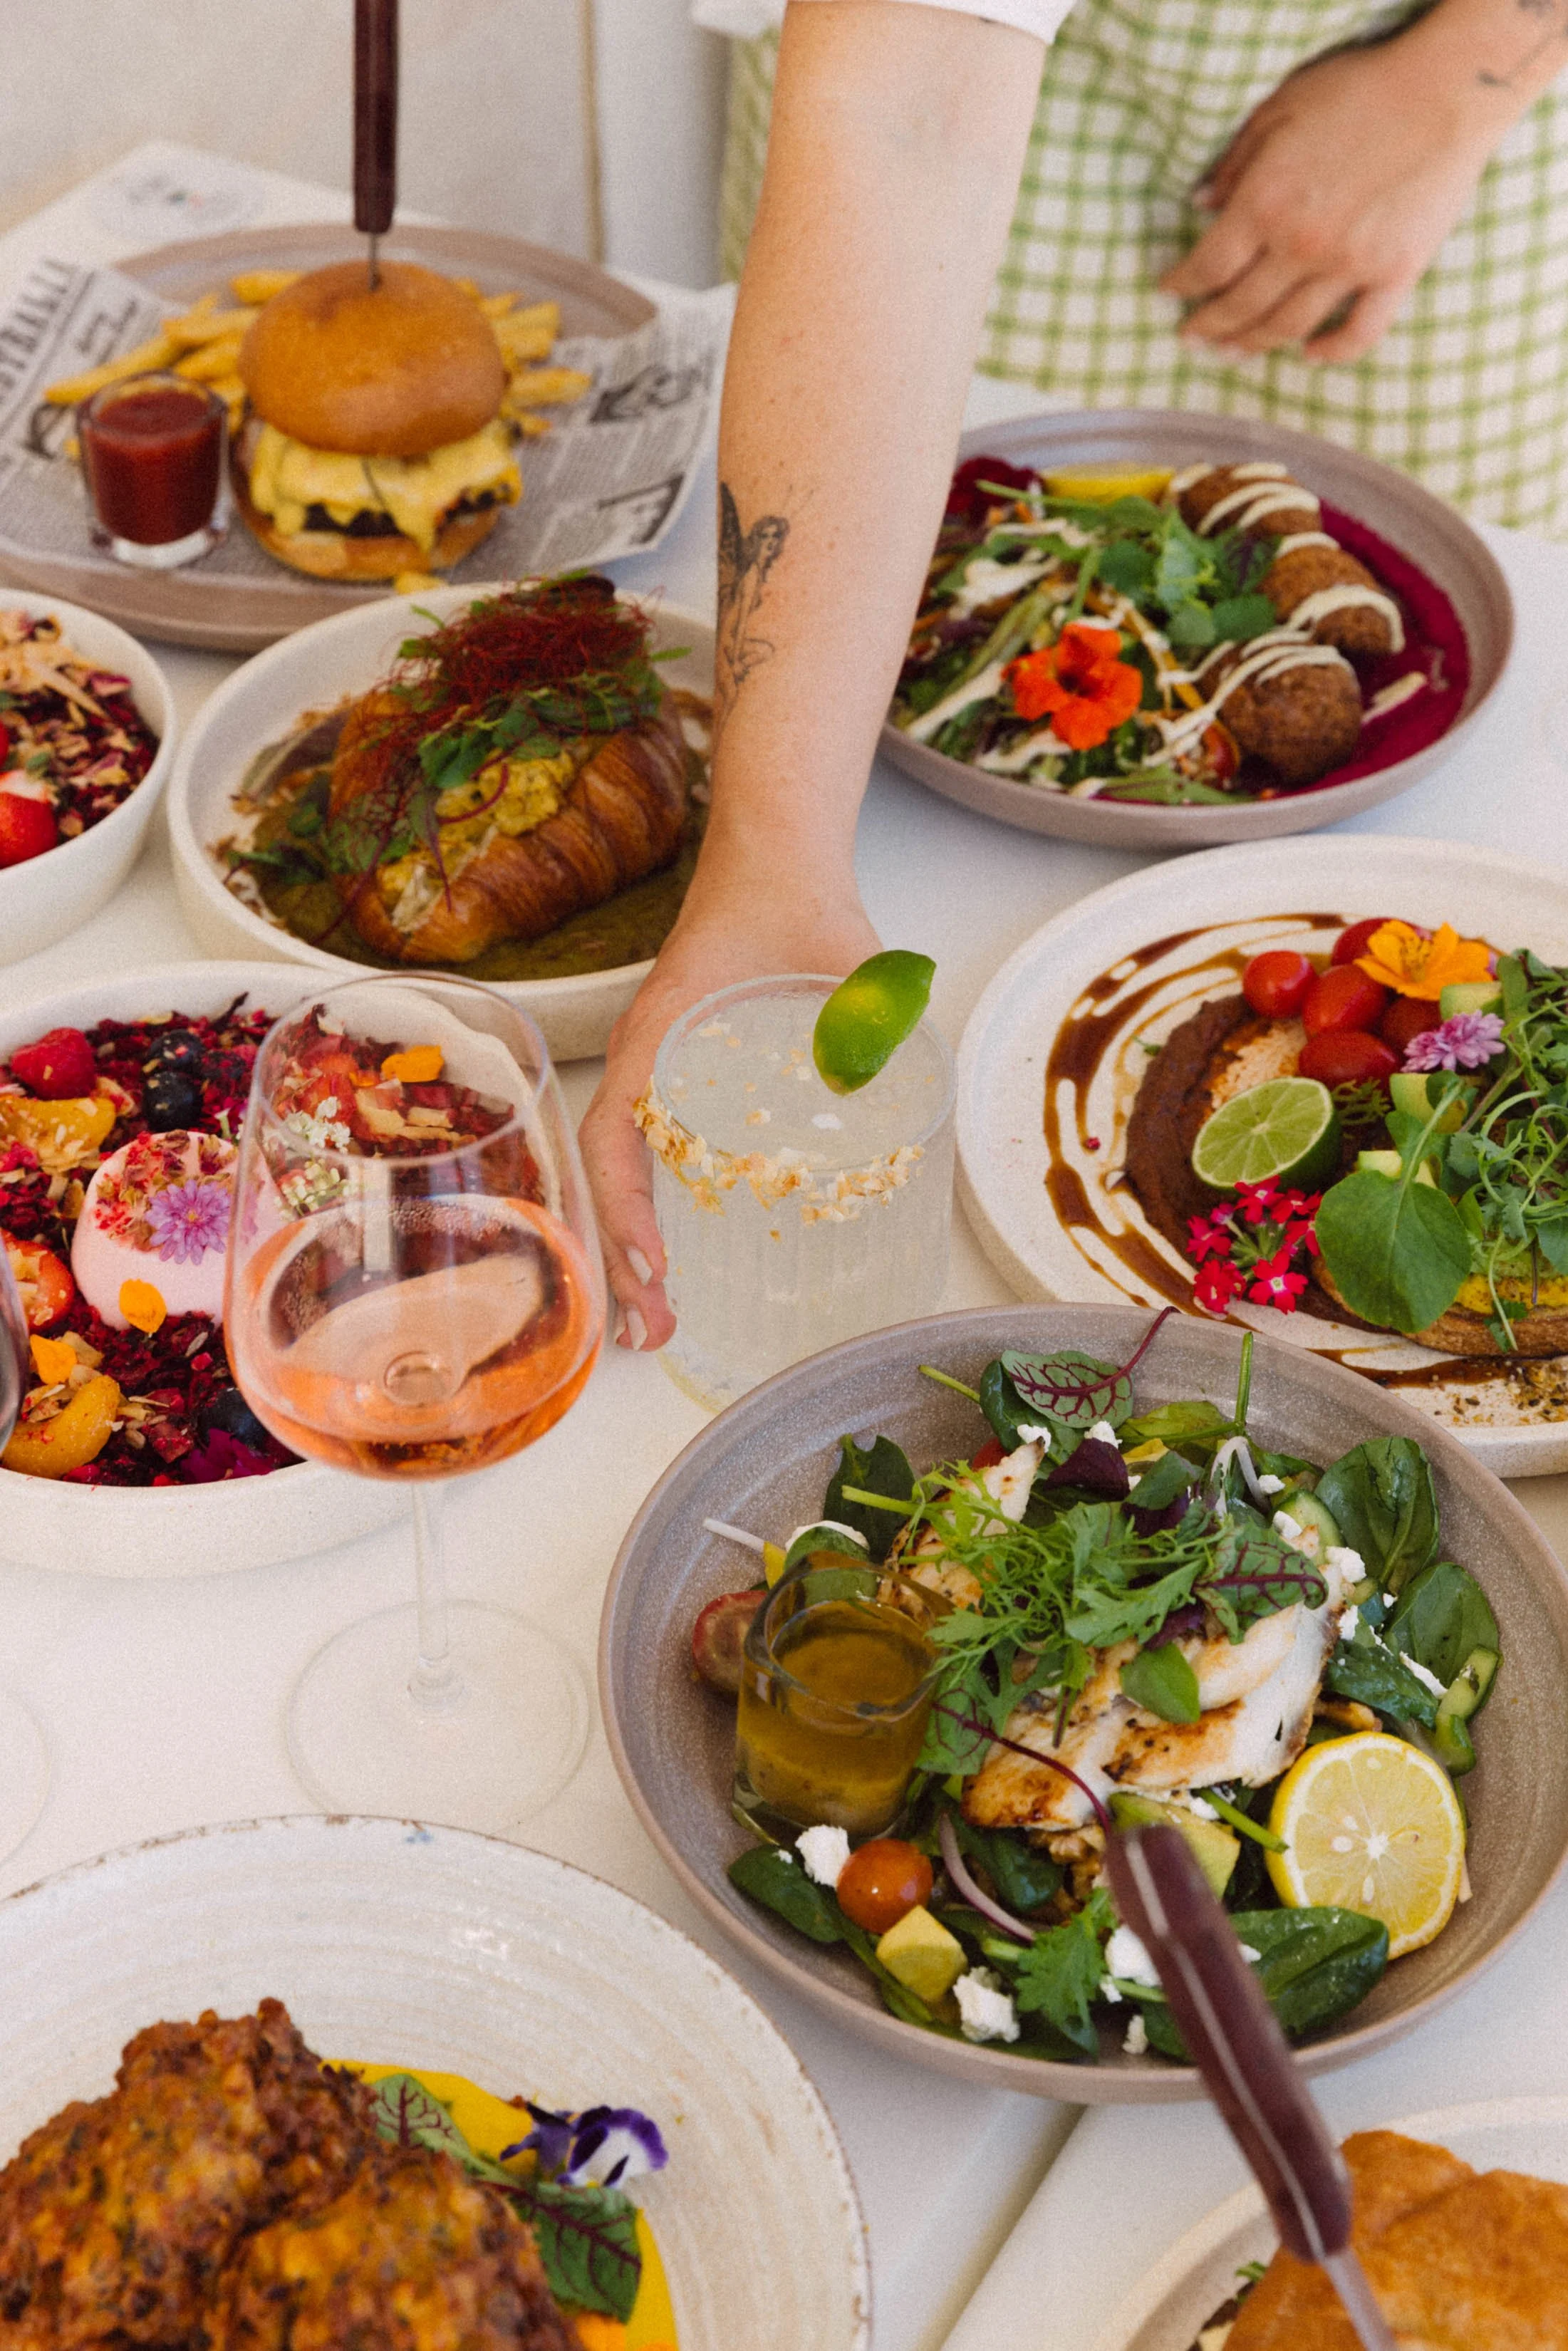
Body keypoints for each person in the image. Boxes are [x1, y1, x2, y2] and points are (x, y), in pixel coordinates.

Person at [581, 0, 1568, 1349]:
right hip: (1017, 209)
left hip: (1464, 191)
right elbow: (902, 115)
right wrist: (772, 860)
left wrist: (1461, 80)